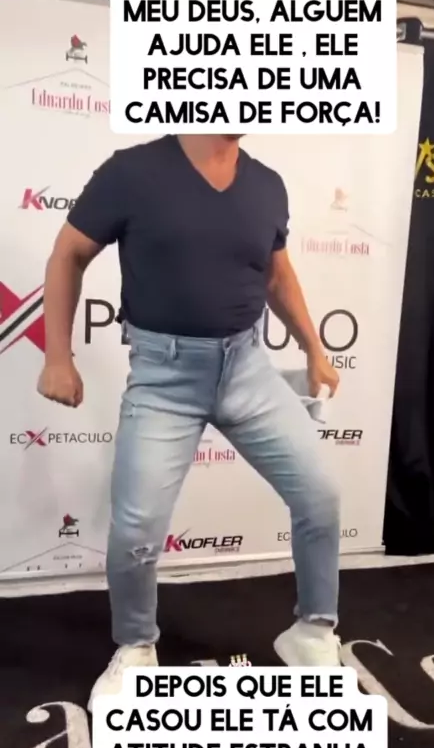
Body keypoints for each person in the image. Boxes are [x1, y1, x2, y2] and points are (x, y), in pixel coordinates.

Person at [37, 134, 341, 709]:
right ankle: (135, 648)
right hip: (164, 376)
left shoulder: (267, 184)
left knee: (321, 495)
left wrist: (314, 349)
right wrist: (57, 357)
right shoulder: (132, 171)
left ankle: (313, 632)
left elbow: (277, 275)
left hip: (248, 370)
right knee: (136, 531)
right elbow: (67, 254)